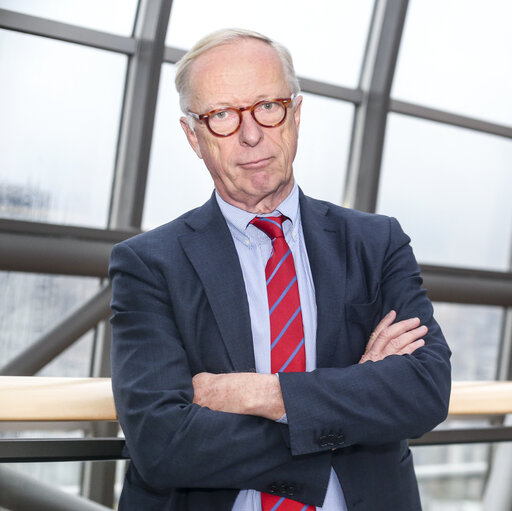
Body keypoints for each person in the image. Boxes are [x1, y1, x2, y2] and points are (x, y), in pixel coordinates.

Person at [109, 28, 451, 510]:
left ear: (295, 113)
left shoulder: (375, 242)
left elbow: (423, 391)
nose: (251, 135)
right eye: (222, 116)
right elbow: (162, 443)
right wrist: (347, 404)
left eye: (267, 107)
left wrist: (261, 394)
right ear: (193, 136)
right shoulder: (149, 264)